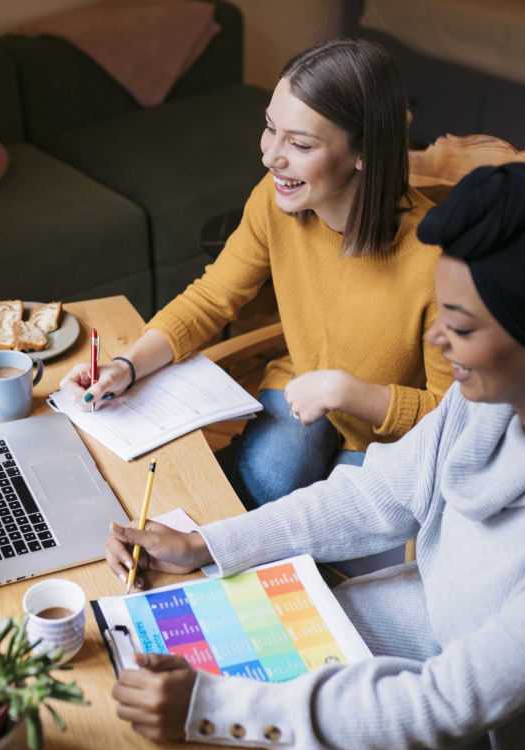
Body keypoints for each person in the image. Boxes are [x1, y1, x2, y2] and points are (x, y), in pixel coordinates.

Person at [101, 163, 525, 750]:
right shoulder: (498, 395)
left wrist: (213, 707)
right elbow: (379, 493)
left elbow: (446, 703)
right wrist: (208, 544)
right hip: (415, 656)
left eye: (461, 327)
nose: (439, 340)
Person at [59, 39, 453, 523]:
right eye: (270, 129)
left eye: (301, 144)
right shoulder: (276, 200)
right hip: (302, 387)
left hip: (390, 432)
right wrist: (125, 366)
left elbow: (452, 416)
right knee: (272, 477)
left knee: (329, 521)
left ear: (364, 152)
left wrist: (346, 391)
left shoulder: (439, 260)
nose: (271, 157)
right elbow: (210, 298)